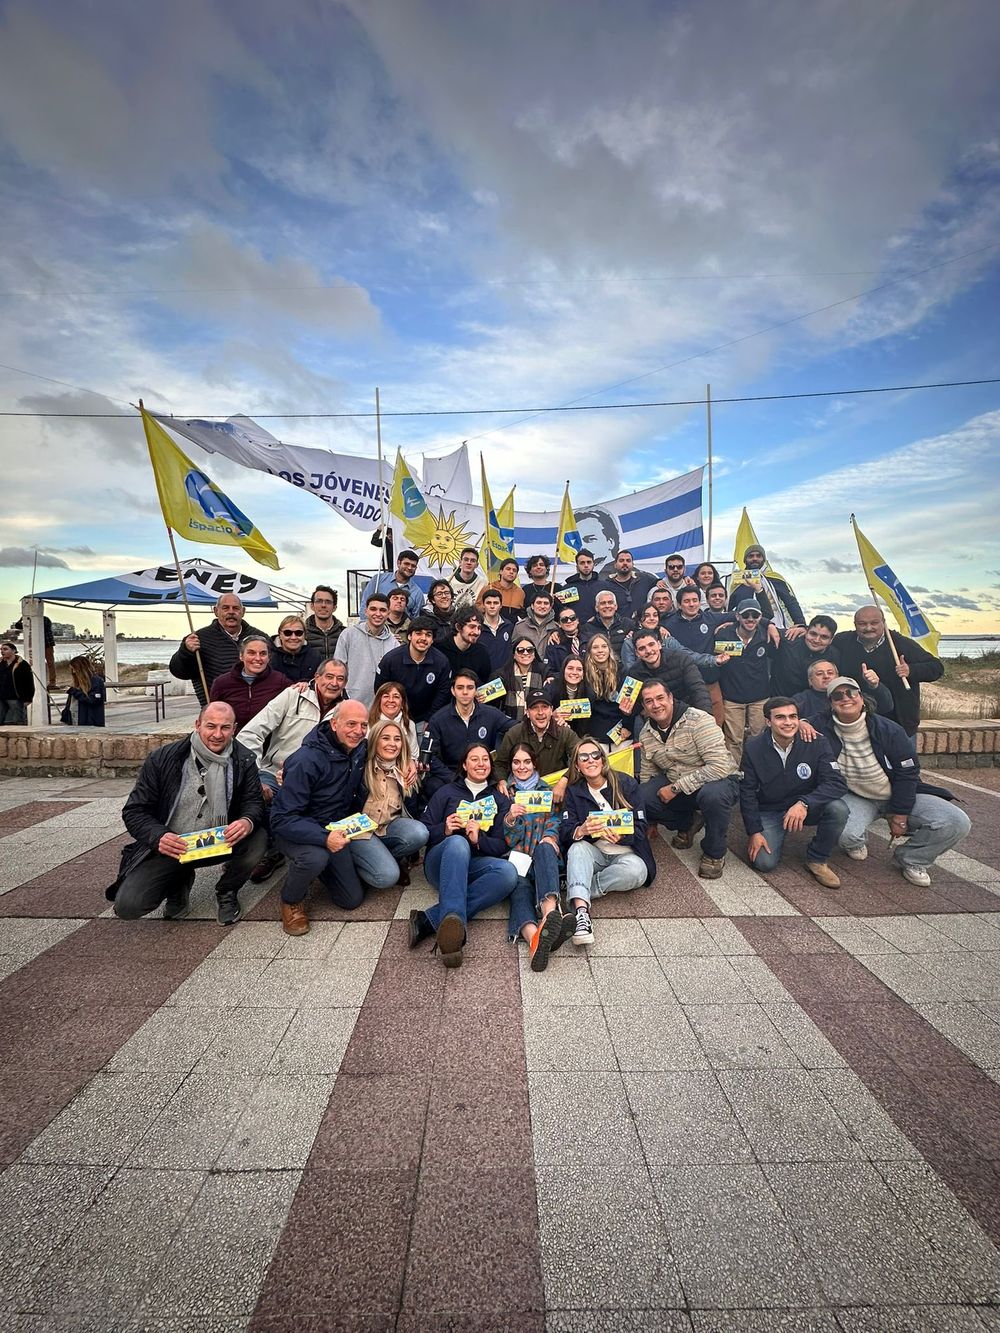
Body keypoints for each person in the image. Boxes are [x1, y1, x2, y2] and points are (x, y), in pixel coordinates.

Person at [106, 701, 266, 925]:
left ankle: (227, 891)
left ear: (234, 729)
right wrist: (159, 836)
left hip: (220, 840)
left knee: (259, 838)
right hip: (174, 845)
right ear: (197, 725)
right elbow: (135, 810)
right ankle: (178, 881)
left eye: (225, 727)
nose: (217, 734)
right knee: (129, 906)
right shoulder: (163, 758)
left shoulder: (244, 759)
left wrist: (247, 821)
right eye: (211, 726)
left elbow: (253, 802)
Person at [270, 701, 406, 935]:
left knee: (350, 900)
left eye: (363, 725)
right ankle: (291, 900)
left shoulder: (359, 749)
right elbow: (281, 819)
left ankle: (328, 867)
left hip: (338, 826)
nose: (358, 731)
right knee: (315, 857)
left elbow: (384, 752)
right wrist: (324, 838)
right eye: (351, 724)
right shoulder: (306, 760)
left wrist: (409, 763)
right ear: (334, 724)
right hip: (299, 829)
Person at [825, 676, 971, 887]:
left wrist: (900, 814)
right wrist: (802, 724)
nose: (846, 698)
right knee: (842, 832)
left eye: (852, 693)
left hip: (898, 792)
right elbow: (794, 722)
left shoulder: (889, 730)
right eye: (838, 696)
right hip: (858, 796)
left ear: (862, 698)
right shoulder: (823, 726)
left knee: (957, 822)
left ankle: (912, 859)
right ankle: (855, 841)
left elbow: (908, 773)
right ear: (831, 704)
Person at [238, 657, 349, 883]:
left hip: (315, 780)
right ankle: (269, 851)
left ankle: (304, 850)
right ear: (316, 677)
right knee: (257, 797)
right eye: (329, 676)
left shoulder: (346, 709)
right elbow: (251, 733)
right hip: (274, 771)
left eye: (340, 679)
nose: (334, 683)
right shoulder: (292, 695)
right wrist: (254, 774)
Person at [408, 743, 519, 968]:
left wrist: (479, 840)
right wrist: (445, 829)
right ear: (465, 765)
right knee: (458, 842)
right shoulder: (446, 792)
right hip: (441, 864)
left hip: (474, 865)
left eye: (485, 759)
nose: (481, 764)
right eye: (474, 759)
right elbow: (422, 832)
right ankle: (451, 930)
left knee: (508, 872)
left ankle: (431, 921)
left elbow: (501, 845)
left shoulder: (500, 799)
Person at [739, 695, 849, 889]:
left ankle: (817, 859)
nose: (788, 722)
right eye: (780, 717)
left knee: (838, 809)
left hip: (806, 806)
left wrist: (804, 803)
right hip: (771, 809)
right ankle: (771, 834)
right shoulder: (753, 747)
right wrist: (754, 831)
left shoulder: (817, 742)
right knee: (764, 863)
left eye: (793, 716)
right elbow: (747, 792)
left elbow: (836, 783)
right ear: (768, 722)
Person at [636, 679, 739, 880]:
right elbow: (648, 775)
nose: (656, 705)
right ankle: (689, 822)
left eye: (660, 698)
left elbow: (720, 767)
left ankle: (714, 853)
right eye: (649, 701)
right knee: (642, 795)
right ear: (644, 706)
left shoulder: (699, 720)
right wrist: (650, 819)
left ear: (671, 698)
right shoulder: (646, 734)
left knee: (713, 796)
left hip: (718, 781)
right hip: (680, 784)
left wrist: (675, 788)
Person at [559, 740, 655, 945]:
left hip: (626, 854)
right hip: (594, 852)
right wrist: (581, 830)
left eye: (595, 755)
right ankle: (581, 913)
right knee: (577, 848)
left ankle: (580, 887)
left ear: (603, 760)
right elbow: (565, 830)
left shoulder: (627, 783)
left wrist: (622, 836)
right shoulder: (574, 791)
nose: (591, 760)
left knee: (638, 871)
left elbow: (641, 826)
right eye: (583, 757)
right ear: (577, 766)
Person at [502, 741, 573, 971]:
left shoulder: (547, 791)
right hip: (519, 856)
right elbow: (507, 840)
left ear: (534, 764)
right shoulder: (505, 793)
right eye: (516, 762)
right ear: (510, 766)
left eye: (526, 762)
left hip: (543, 855)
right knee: (519, 887)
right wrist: (510, 819)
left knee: (545, 847)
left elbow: (555, 821)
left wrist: (550, 837)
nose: (521, 767)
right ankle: (536, 939)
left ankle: (550, 914)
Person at [831, 606, 944, 736]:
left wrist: (911, 670)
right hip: (856, 722)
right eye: (862, 624)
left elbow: (936, 667)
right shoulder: (843, 641)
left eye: (874, 623)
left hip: (899, 722)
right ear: (855, 624)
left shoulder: (901, 644)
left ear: (883, 622)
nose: (868, 628)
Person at [355, 717, 429, 890]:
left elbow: (413, 809)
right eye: (385, 738)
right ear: (375, 740)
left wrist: (410, 762)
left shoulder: (405, 772)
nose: (392, 744)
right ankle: (362, 864)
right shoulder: (359, 764)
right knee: (386, 877)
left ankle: (385, 857)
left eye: (397, 739)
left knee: (420, 832)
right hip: (359, 831)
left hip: (386, 828)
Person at [424, 669, 514, 796]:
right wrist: (452, 778)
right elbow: (430, 756)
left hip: (483, 773)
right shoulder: (438, 719)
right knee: (432, 786)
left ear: (476, 690)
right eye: (460, 688)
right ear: (453, 691)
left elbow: (516, 728)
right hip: (451, 775)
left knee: (502, 794)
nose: (465, 692)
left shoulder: (491, 714)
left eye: (470, 687)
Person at [169, 594, 267, 706]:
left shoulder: (260, 638)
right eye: (225, 608)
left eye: (235, 608)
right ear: (216, 611)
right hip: (216, 710)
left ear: (243, 611)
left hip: (258, 709)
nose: (231, 612)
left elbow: (273, 670)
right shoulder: (198, 639)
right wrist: (185, 652)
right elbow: (180, 672)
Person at [715, 602, 778, 761]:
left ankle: (758, 769)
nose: (750, 619)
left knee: (759, 738)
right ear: (737, 616)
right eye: (745, 615)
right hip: (732, 697)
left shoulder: (766, 635)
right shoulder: (723, 634)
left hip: (760, 697)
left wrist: (771, 625)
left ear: (760, 617)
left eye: (755, 615)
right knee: (733, 740)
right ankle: (734, 772)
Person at [665, 586, 734, 726]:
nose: (692, 604)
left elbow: (744, 616)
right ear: (679, 605)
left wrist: (769, 625)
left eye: (695, 600)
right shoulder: (669, 624)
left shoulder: (711, 618)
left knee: (716, 723)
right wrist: (659, 628)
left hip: (710, 682)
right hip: (683, 685)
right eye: (687, 601)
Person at [373, 616, 451, 725]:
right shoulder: (391, 660)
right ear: (409, 636)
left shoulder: (441, 662)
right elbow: (380, 689)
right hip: (396, 718)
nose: (423, 638)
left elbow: (443, 693)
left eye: (428, 635)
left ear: (432, 639)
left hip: (426, 720)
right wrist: (393, 715)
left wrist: (430, 719)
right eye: (418, 633)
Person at [495, 689, 576, 791]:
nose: (540, 712)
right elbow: (500, 765)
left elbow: (580, 758)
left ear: (551, 710)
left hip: (555, 791)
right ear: (527, 712)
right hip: (520, 792)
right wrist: (502, 781)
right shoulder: (514, 733)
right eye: (534, 708)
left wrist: (565, 780)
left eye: (544, 707)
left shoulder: (564, 732)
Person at [209, 636, 291, 733]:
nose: (258, 658)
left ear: (268, 657)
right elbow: (214, 714)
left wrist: (302, 685)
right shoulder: (222, 683)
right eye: (251, 653)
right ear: (241, 656)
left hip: (269, 740)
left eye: (263, 653)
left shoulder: (280, 681)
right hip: (234, 739)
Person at [624, 631, 713, 717]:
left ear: (659, 645)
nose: (648, 650)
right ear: (637, 653)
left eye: (651, 644)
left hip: (687, 712)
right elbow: (631, 705)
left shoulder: (681, 659)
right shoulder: (633, 673)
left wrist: (705, 716)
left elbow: (698, 689)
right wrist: (628, 711)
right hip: (656, 716)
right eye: (642, 648)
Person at [793, 658, 893, 732]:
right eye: (819, 674)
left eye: (830, 673)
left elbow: (886, 706)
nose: (826, 676)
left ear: (837, 676)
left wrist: (876, 686)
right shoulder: (800, 700)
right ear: (810, 681)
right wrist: (801, 723)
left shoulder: (853, 694)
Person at [726, 543, 805, 630]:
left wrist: (800, 624)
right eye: (751, 556)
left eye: (758, 556)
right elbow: (728, 607)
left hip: (776, 626)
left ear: (764, 559)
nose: (755, 558)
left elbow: (791, 602)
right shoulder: (738, 581)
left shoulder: (775, 578)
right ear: (745, 560)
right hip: (746, 629)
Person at [337, 593, 397, 706]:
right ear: (366, 611)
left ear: (388, 613)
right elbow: (338, 668)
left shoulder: (394, 643)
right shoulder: (348, 634)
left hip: (381, 705)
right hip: (351, 702)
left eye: (383, 610)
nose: (378, 614)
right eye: (373, 609)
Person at [772, 614, 839, 696]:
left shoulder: (834, 655)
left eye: (824, 637)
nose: (816, 640)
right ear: (806, 631)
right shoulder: (788, 638)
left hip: (813, 701)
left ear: (831, 639)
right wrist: (769, 624)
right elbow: (759, 625)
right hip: (780, 700)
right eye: (813, 634)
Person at [582, 634, 630, 747]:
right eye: (595, 647)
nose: (600, 650)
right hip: (594, 732)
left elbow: (629, 703)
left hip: (621, 731)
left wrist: (628, 726)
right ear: (589, 652)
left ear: (609, 649)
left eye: (604, 646)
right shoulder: (584, 673)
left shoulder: (622, 670)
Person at [361, 549, 424, 620]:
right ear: (398, 563)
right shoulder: (378, 579)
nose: (409, 568)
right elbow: (365, 604)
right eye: (406, 564)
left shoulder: (417, 592)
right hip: (375, 625)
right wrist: (365, 625)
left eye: (413, 566)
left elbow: (417, 618)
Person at [437, 607, 493, 683]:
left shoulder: (481, 652)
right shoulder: (439, 648)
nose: (476, 632)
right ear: (458, 627)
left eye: (479, 628)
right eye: (472, 627)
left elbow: (485, 683)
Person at [368, 682, 419, 765]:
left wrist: (412, 763)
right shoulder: (367, 723)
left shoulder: (410, 725)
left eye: (396, 697)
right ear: (379, 701)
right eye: (386, 696)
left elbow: (413, 755)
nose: (391, 700)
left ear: (402, 703)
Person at [498, 638, 546, 719]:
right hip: (508, 722)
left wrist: (551, 677)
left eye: (530, 650)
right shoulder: (502, 675)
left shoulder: (544, 672)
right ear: (514, 655)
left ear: (534, 654)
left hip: (539, 720)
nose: (525, 653)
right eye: (520, 650)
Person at [602, 549, 658, 619]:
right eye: (621, 561)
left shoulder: (644, 579)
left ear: (632, 564)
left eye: (628, 561)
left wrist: (659, 582)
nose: (625, 563)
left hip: (642, 623)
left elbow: (660, 583)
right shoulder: (607, 585)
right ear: (615, 565)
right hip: (619, 624)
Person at [270, 615, 323, 684]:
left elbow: (321, 681)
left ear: (304, 635)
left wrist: (308, 684)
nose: (293, 637)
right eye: (287, 633)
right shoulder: (269, 656)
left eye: (298, 633)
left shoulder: (315, 657)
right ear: (280, 634)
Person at [546, 604, 593, 676]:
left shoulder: (590, 639)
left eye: (572, 618)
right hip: (563, 681)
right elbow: (549, 669)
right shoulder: (554, 643)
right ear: (559, 624)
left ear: (577, 621)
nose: (569, 621)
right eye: (564, 619)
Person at [561, 549, 606, 622]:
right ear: (577, 566)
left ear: (593, 564)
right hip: (576, 627)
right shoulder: (568, 588)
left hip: (599, 626)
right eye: (582, 563)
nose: (586, 565)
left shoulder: (603, 586)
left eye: (589, 562)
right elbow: (563, 611)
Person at [512, 590, 558, 658]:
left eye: (546, 603)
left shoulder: (556, 628)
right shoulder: (520, 627)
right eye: (539, 603)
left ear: (550, 607)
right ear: (532, 606)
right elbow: (513, 651)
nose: (542, 606)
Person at [64, 655, 106, 727]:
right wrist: (65, 715)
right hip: (74, 718)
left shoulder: (96, 681)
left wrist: (74, 691)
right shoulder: (77, 683)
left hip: (90, 722)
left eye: (74, 669)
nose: (73, 672)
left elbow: (92, 700)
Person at [478, 589, 514, 674]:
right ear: (483, 605)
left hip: (505, 675)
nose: (492, 606)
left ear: (501, 605)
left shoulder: (509, 626)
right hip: (483, 676)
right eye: (488, 603)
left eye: (496, 603)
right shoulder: (477, 627)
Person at [304, 585, 346, 657]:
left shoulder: (345, 634)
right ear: (312, 606)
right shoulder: (302, 634)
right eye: (319, 601)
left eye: (328, 602)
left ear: (334, 607)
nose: (323, 605)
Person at [575, 508, 620, 574]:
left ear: (611, 542)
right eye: (578, 542)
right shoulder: (577, 579)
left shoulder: (623, 575)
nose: (583, 547)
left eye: (590, 539)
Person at [0, 640, 35, 724]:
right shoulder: (1, 663)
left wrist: (28, 698)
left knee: (17, 720)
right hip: (1, 697)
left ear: (13, 651)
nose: (2, 651)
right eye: (1, 649)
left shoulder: (22, 664)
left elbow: (29, 682)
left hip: (16, 697)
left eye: (5, 649)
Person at [587, 590, 630, 656]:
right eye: (603, 603)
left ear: (616, 606)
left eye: (610, 602)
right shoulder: (587, 628)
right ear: (596, 608)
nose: (607, 606)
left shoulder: (628, 624)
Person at [448, 546, 487, 610]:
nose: (469, 563)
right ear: (460, 562)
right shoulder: (447, 582)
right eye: (466, 559)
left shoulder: (484, 583)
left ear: (477, 565)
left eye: (473, 560)